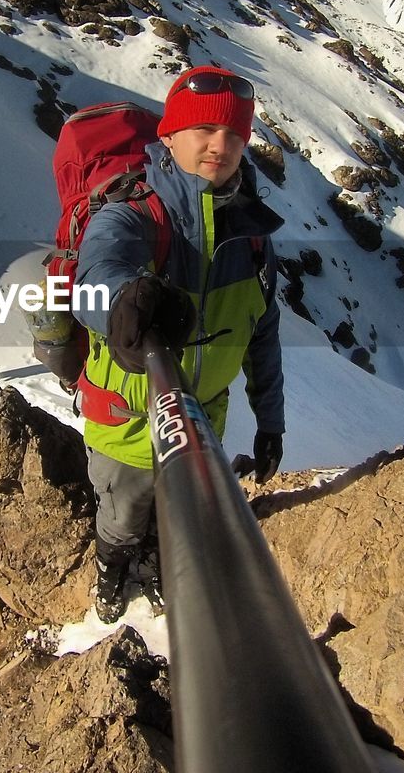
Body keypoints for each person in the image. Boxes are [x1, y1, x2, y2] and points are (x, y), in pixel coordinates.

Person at [73, 65, 286, 623]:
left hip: (199, 429)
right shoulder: (135, 213)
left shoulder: (253, 239)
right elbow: (93, 278)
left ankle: (162, 569)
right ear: (168, 136)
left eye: (236, 135)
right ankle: (111, 572)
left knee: (178, 521)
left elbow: (263, 337)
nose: (222, 145)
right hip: (126, 426)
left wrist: (271, 424)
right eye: (205, 131)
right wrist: (125, 301)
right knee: (121, 518)